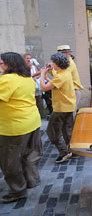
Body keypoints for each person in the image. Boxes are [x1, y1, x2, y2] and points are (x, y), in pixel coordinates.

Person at [0, 52, 42, 203]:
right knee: (29, 155)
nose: (1, 67)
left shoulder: (7, 79)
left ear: (10, 64)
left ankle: (18, 190)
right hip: (32, 121)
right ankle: (32, 180)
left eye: (2, 63)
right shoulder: (26, 78)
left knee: (9, 160)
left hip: (14, 126)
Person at [40, 53, 76, 164]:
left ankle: (64, 153)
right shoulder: (65, 72)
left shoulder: (61, 76)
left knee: (52, 133)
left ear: (57, 64)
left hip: (61, 108)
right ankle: (72, 151)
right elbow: (56, 79)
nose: (51, 64)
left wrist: (42, 75)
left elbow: (43, 88)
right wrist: (49, 72)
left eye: (52, 62)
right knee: (67, 131)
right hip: (69, 106)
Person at [57, 45, 83, 113]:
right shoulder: (66, 63)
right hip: (71, 91)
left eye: (67, 53)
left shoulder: (69, 63)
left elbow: (62, 76)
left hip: (74, 90)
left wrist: (49, 71)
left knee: (71, 113)